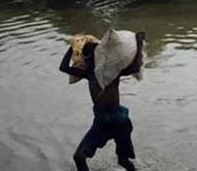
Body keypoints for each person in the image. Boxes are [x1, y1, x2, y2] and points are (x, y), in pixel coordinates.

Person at [59, 32, 146, 171]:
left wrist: (139, 42)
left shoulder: (113, 72)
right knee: (79, 157)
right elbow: (63, 68)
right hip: (101, 121)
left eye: (89, 57)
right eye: (84, 56)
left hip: (118, 119)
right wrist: (74, 47)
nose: (86, 60)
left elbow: (135, 67)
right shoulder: (88, 74)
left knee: (123, 161)